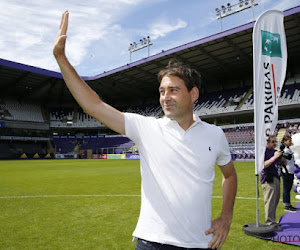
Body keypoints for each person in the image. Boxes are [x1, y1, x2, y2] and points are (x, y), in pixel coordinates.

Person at [53, 11, 237, 250]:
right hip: (152, 242)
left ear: (193, 94)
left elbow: (230, 175)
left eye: (173, 90)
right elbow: (94, 105)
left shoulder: (215, 134)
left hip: (200, 243)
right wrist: (61, 59)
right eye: (162, 91)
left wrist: (225, 217)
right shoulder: (147, 127)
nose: (165, 97)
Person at [261, 135, 282, 227]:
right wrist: (274, 158)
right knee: (270, 202)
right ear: (267, 142)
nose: (275, 144)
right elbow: (263, 165)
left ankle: (272, 221)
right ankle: (270, 222)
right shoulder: (263, 152)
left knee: (275, 200)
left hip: (277, 178)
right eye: (273, 142)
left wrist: (282, 159)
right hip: (268, 179)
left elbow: (278, 163)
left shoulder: (274, 151)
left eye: (275, 142)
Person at [281, 136, 297, 212]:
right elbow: (281, 160)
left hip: (290, 171)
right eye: (289, 141)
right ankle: (286, 205)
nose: (290, 142)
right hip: (287, 172)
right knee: (286, 189)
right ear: (285, 141)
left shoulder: (288, 149)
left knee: (288, 189)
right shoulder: (285, 150)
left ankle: (288, 204)